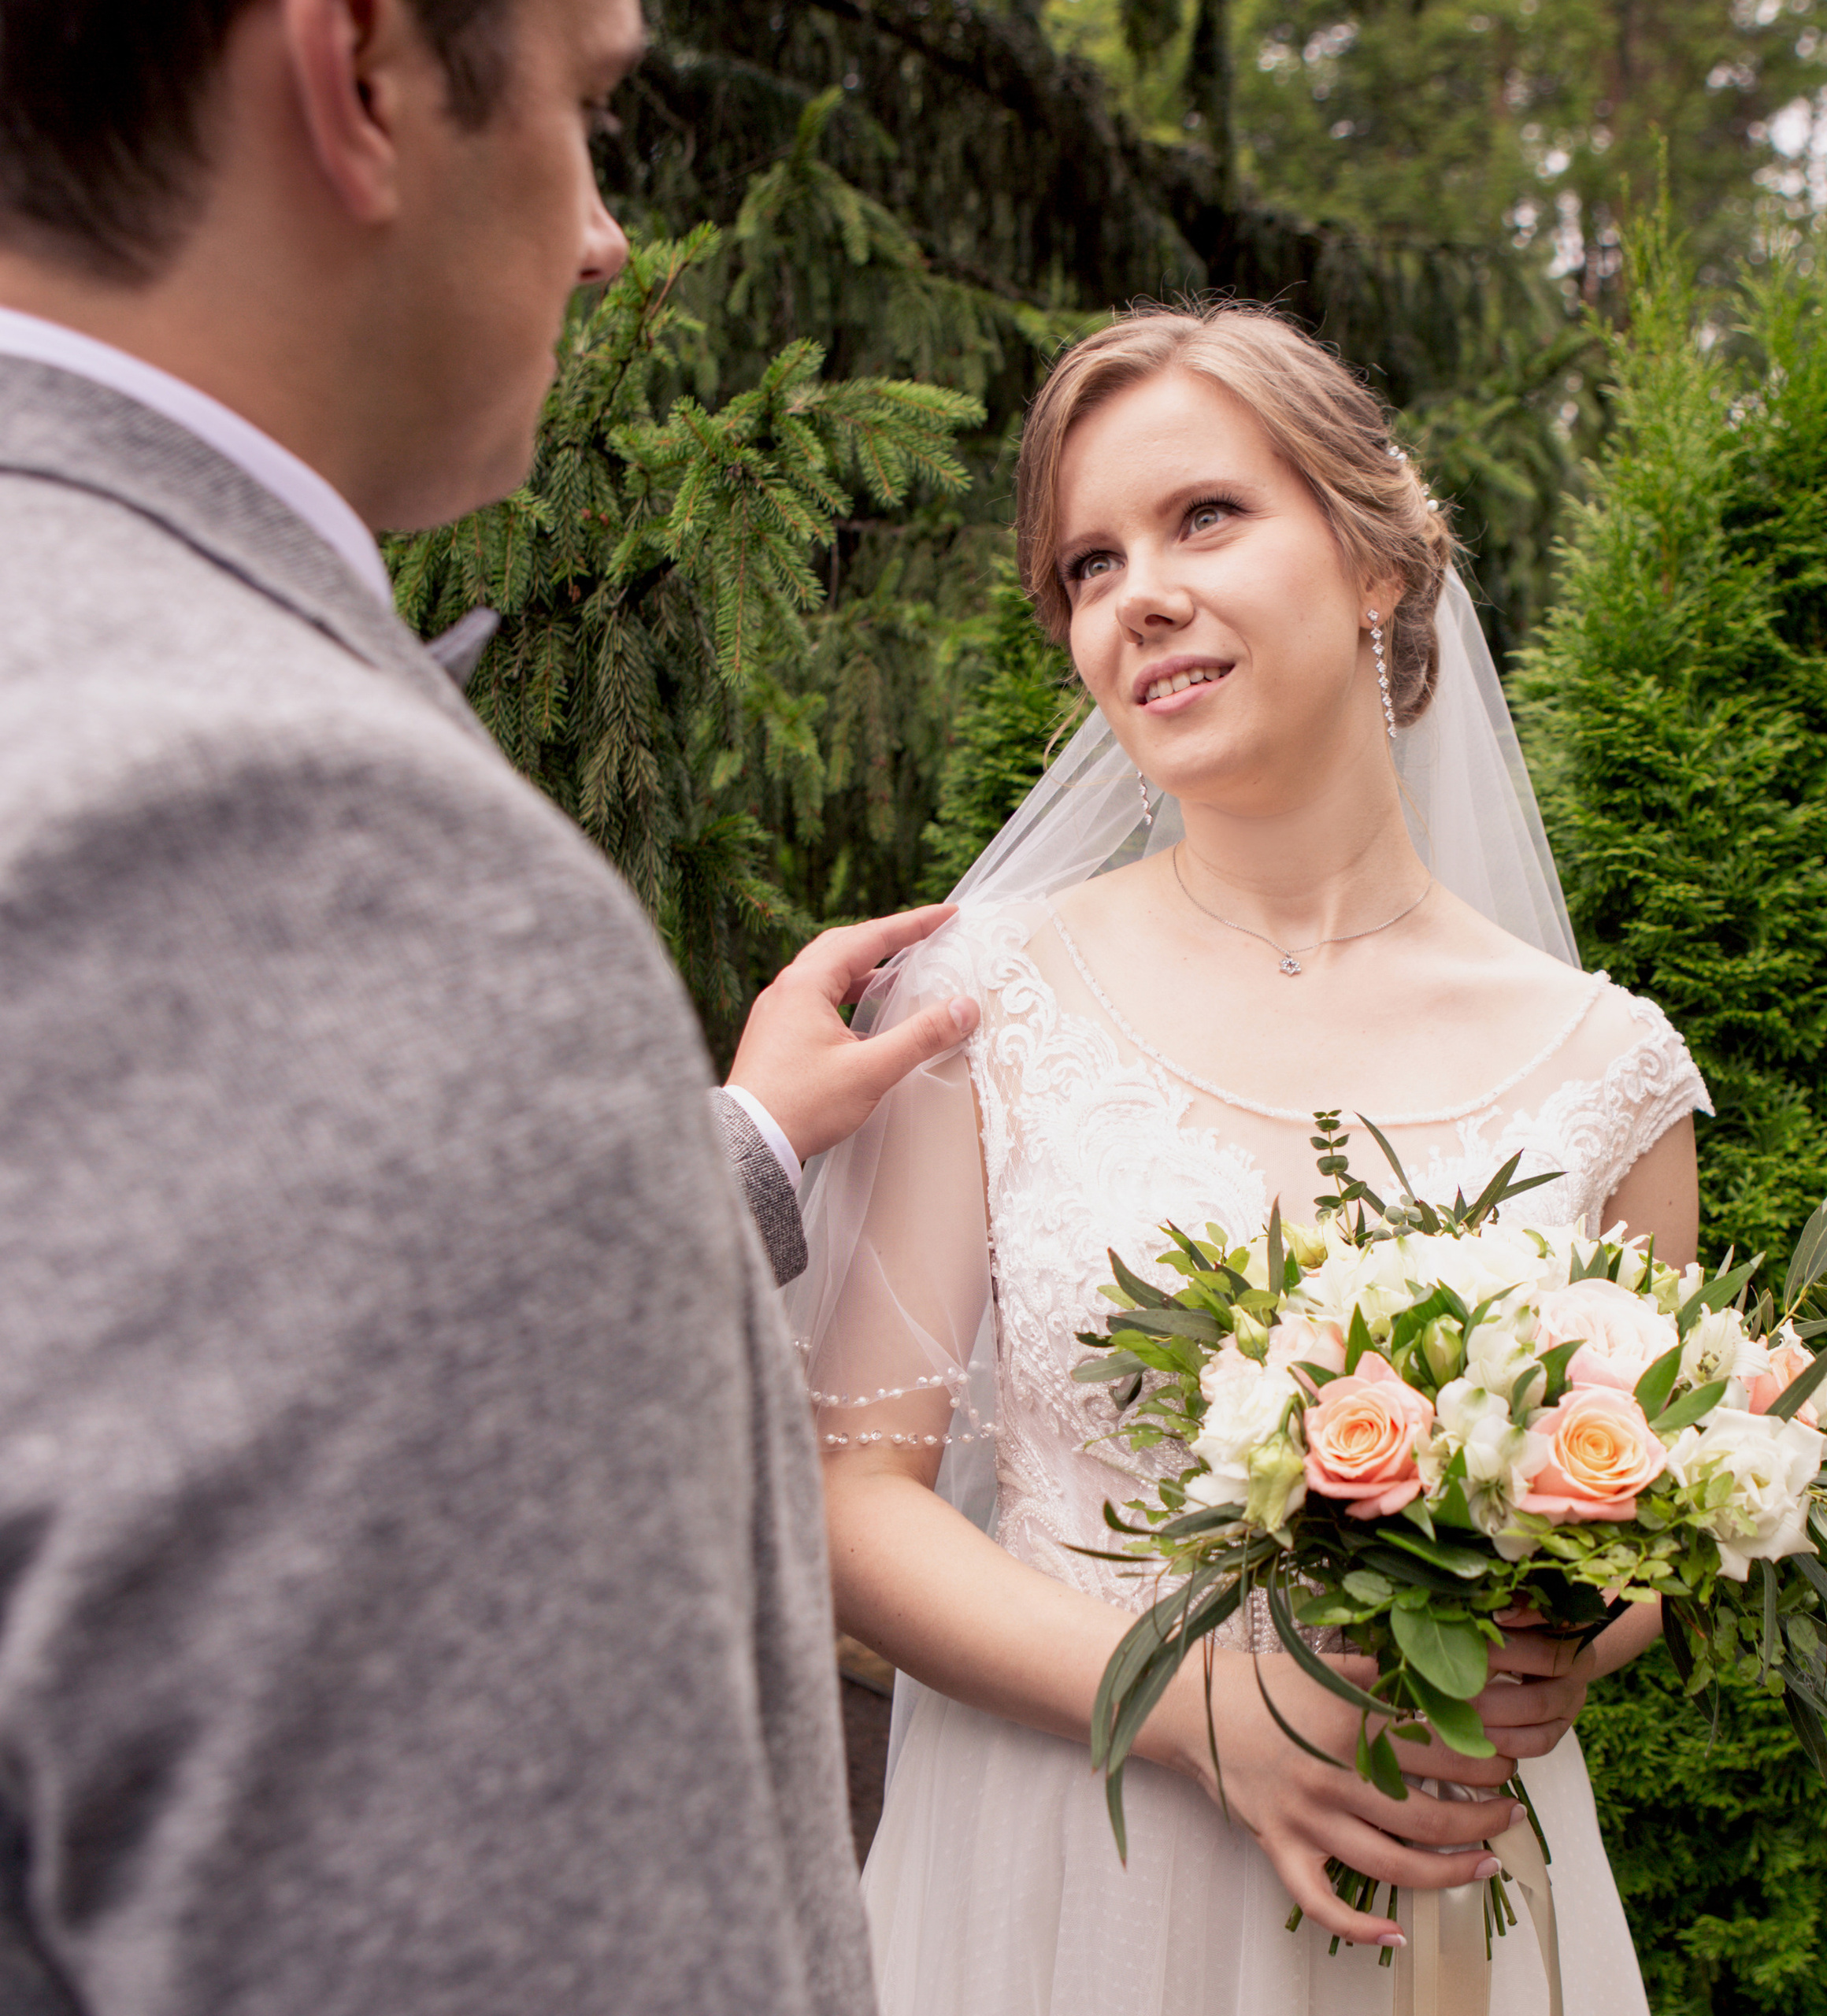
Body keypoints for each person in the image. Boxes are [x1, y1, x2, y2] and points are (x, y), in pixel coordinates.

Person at [0, 2, 971, 2011]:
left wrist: (730, 1152)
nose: (607, 237)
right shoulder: (321, 866)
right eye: (585, 100)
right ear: (359, 72)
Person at [798, 304, 1711, 2016]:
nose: (1132, 593)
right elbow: (851, 1499)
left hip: (1442, 1873)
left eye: (1202, 516)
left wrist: (1548, 1648)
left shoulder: (1610, 1068)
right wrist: (1199, 1706)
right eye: (1086, 563)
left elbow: (1642, 1529)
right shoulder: (980, 1002)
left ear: (1374, 559)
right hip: (1070, 1857)